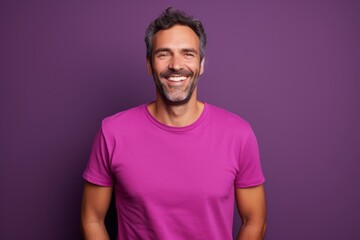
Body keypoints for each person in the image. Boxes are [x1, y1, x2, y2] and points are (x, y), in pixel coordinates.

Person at [81, 7, 266, 240]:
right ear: (149, 64)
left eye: (188, 53)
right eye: (164, 54)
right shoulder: (113, 132)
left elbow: (254, 221)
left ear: (201, 64)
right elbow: (92, 218)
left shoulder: (239, 134)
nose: (176, 65)